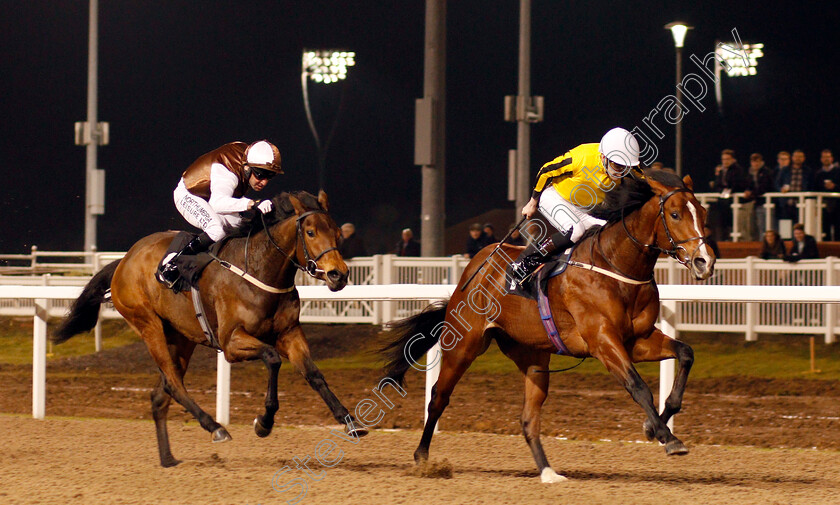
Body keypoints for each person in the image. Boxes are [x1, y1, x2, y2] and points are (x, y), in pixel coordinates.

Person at [511, 127, 640, 282]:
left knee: (610, 231)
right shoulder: (581, 156)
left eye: (625, 167)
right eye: (617, 166)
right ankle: (526, 262)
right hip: (556, 198)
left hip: (584, 209)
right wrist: (532, 202)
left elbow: (648, 182)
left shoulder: (627, 166)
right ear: (604, 156)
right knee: (575, 231)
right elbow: (546, 170)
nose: (621, 172)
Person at [158, 140, 283, 287]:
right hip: (189, 195)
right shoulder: (227, 171)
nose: (264, 182)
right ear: (247, 168)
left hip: (210, 196)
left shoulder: (246, 160)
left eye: (270, 176)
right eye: (261, 175)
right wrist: (253, 204)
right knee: (216, 229)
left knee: (242, 227)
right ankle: (171, 264)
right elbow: (218, 204)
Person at [709, 149, 748, 242]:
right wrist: (722, 189)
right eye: (723, 159)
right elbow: (717, 185)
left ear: (733, 159)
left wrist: (729, 189)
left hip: (734, 202)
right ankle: (719, 238)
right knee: (717, 217)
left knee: (732, 223)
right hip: (723, 202)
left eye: (727, 159)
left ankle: (729, 238)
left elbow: (738, 184)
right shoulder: (722, 171)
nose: (725, 161)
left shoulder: (738, 170)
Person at [743, 153, 777, 241]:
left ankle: (771, 242)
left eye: (757, 162)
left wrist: (752, 193)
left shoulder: (766, 172)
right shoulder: (750, 173)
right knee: (760, 225)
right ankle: (762, 242)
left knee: (769, 225)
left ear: (761, 162)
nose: (755, 164)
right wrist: (747, 190)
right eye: (753, 162)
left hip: (767, 202)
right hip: (757, 203)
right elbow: (748, 184)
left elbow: (765, 187)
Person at [776, 149, 812, 223]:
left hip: (802, 203)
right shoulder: (785, 170)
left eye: (800, 156)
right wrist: (781, 189)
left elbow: (811, 186)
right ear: (792, 158)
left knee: (801, 225)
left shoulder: (808, 171)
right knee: (785, 228)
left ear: (804, 158)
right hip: (787, 203)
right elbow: (777, 183)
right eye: (796, 156)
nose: (798, 158)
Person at [813, 149, 840, 241]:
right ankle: (827, 252)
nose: (826, 159)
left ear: (832, 158)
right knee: (825, 229)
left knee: (838, 229)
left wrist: (835, 187)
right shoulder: (818, 174)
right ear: (821, 159)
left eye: (828, 157)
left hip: (837, 205)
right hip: (823, 205)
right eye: (824, 157)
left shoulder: (838, 171)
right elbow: (815, 189)